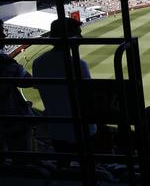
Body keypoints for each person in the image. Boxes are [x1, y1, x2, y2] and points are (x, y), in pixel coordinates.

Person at [33, 17, 95, 164]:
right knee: (86, 166)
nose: (81, 38)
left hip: (56, 128)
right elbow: (89, 97)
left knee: (64, 166)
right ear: (68, 37)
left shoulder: (38, 63)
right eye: (77, 34)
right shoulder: (78, 64)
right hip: (81, 128)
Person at [0, 20, 34, 156]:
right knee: (23, 160)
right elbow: (27, 81)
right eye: (0, 31)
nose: (4, 35)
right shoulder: (3, 62)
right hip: (11, 120)